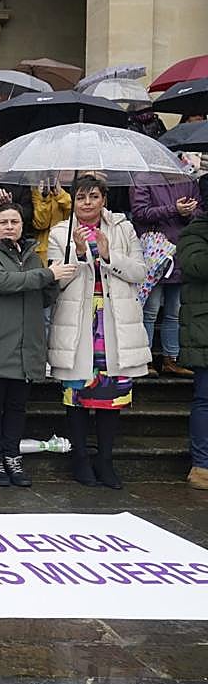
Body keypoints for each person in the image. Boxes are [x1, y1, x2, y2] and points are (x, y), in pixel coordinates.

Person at [0, 203, 76, 487]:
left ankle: (12, 456)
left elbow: (42, 297)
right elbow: (2, 281)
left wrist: (54, 280)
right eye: (4, 222)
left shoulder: (32, 257)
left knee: (17, 406)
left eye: (15, 221)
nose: (10, 226)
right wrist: (47, 276)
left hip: (27, 344)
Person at [48, 174, 149, 489]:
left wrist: (108, 255)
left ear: (104, 198)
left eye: (93, 196)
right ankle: (79, 459)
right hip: (78, 320)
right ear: (73, 201)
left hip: (114, 320)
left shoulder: (123, 228)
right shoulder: (61, 231)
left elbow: (140, 272)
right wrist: (77, 255)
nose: (87, 203)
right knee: (76, 393)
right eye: (80, 197)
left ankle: (105, 460)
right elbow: (56, 280)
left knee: (112, 394)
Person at [130, 176, 201, 376]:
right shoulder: (143, 180)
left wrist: (188, 212)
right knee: (150, 309)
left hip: (180, 250)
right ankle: (145, 359)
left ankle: (172, 358)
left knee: (175, 310)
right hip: (154, 254)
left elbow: (200, 212)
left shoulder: (187, 180)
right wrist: (173, 209)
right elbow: (140, 212)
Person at [177, 209, 208, 489]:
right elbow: (196, 265)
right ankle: (202, 466)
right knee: (206, 400)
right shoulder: (194, 233)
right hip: (203, 329)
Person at [31, 177, 72, 263]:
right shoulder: (36, 191)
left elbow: (71, 215)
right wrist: (44, 198)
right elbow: (41, 223)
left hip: (66, 243)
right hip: (45, 247)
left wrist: (60, 194)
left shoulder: (70, 189)